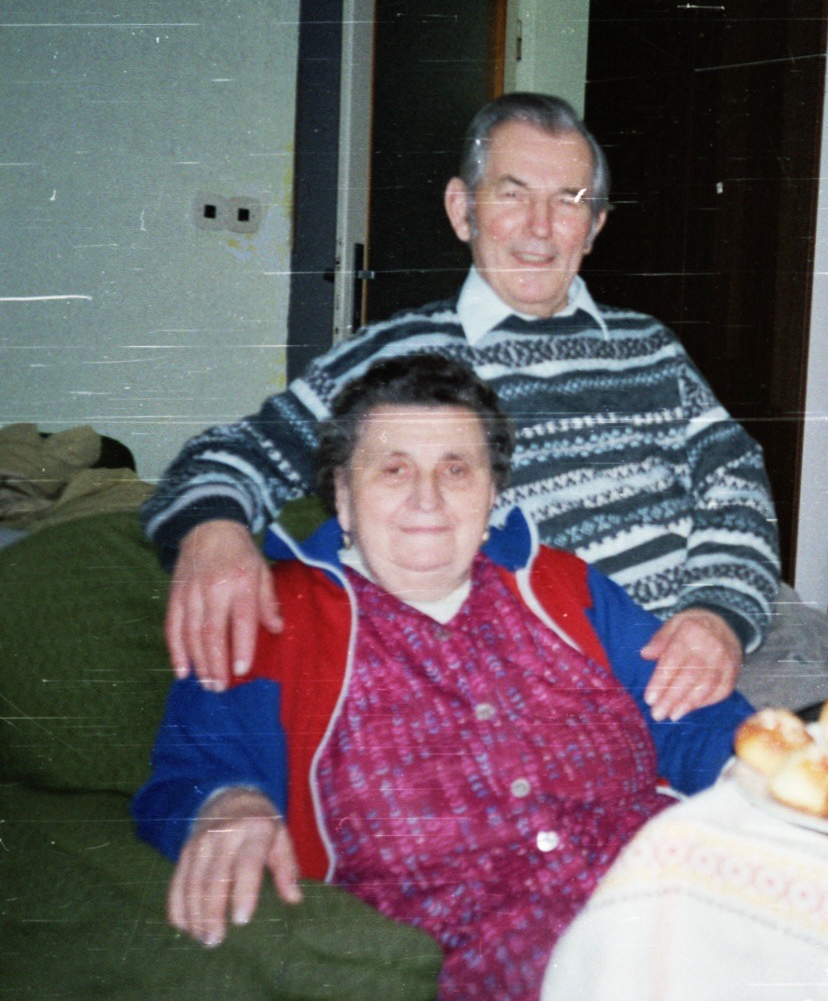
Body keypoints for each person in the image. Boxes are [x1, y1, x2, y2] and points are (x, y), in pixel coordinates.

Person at [140, 93, 778, 721]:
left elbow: (735, 483)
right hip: (558, 690)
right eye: (512, 193)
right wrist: (213, 536)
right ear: (462, 209)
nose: (540, 226)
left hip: (715, 648)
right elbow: (224, 458)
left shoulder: (650, 349)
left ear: (595, 227)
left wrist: (718, 616)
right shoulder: (393, 360)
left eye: (569, 201)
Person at [132, 354, 753, 998]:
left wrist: (759, 772)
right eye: (394, 469)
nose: (426, 498)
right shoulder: (272, 616)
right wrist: (226, 801)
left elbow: (691, 712)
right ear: (343, 495)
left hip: (668, 880)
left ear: (491, 494)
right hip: (492, 949)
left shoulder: (562, 584)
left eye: (456, 470)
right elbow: (188, 775)